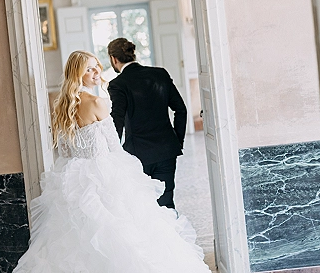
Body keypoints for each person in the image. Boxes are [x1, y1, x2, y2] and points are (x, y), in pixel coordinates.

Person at [13, 50, 210, 273]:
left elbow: (65, 152)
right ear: (77, 74)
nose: (97, 71)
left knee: (78, 237)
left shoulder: (61, 107)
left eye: (96, 65)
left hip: (73, 177)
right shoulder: (97, 102)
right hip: (103, 172)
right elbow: (114, 147)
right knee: (127, 233)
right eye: (89, 68)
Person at [107, 38, 187, 210]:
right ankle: (172, 237)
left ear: (113, 59)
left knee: (141, 207)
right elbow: (181, 110)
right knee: (166, 203)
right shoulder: (160, 74)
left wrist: (114, 153)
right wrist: (176, 141)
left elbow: (117, 122)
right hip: (166, 150)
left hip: (137, 155)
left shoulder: (118, 84)